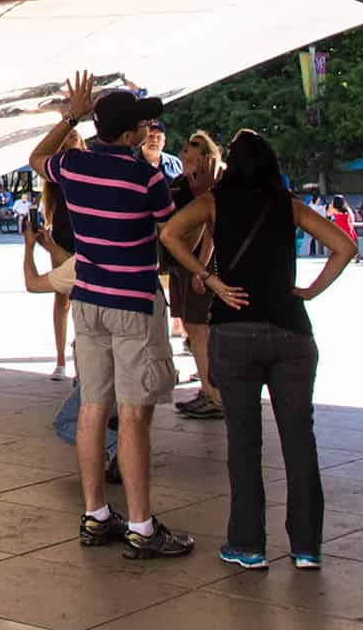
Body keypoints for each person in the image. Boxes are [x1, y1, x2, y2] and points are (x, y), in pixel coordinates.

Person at [159, 130, 353, 570]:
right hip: (291, 331)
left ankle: (248, 545)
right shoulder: (291, 207)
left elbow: (170, 235)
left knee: (244, 443)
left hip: (234, 330)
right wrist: (309, 291)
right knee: (299, 440)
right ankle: (306, 547)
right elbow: (345, 246)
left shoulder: (213, 204)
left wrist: (208, 279)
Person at [29, 73, 192, 559]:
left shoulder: (73, 166)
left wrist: (69, 117)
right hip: (133, 304)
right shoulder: (148, 177)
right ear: (129, 134)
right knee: (135, 416)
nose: (149, 130)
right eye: (144, 124)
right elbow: (168, 230)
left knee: (93, 408)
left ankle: (96, 514)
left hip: (89, 300)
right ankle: (142, 526)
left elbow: (36, 160)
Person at [24, 177, 118, 479]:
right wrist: (51, 245)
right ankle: (116, 451)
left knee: (68, 422)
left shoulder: (81, 265)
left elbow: (33, 283)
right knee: (99, 404)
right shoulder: (116, 255)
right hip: (121, 353)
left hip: (98, 357)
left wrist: (28, 248)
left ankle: (118, 449)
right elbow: (74, 266)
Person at [166, 130, 222, 421]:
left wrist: (201, 268)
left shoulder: (210, 186)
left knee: (200, 328)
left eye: (193, 147)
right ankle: (209, 389)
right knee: (192, 326)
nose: (185, 150)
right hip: (181, 264)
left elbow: (210, 226)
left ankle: (214, 394)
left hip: (198, 265)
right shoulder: (180, 183)